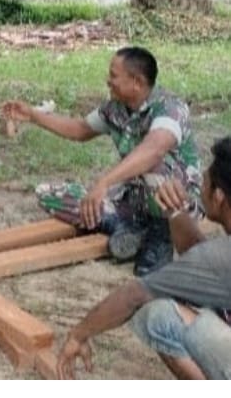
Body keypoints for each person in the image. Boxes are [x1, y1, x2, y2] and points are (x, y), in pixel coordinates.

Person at [2, 46, 202, 278]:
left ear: (137, 82)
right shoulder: (115, 109)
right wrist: (33, 115)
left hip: (178, 207)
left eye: (114, 75)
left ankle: (160, 239)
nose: (108, 80)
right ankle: (125, 227)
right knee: (49, 194)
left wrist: (104, 183)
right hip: (133, 199)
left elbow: (153, 150)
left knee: (152, 167)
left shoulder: (170, 107)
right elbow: (79, 129)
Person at [56, 137, 231, 380]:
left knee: (158, 315)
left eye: (206, 181)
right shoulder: (219, 256)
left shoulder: (218, 258)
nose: (202, 185)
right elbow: (203, 265)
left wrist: (78, 335)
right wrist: (174, 211)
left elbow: (135, 295)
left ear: (219, 196)